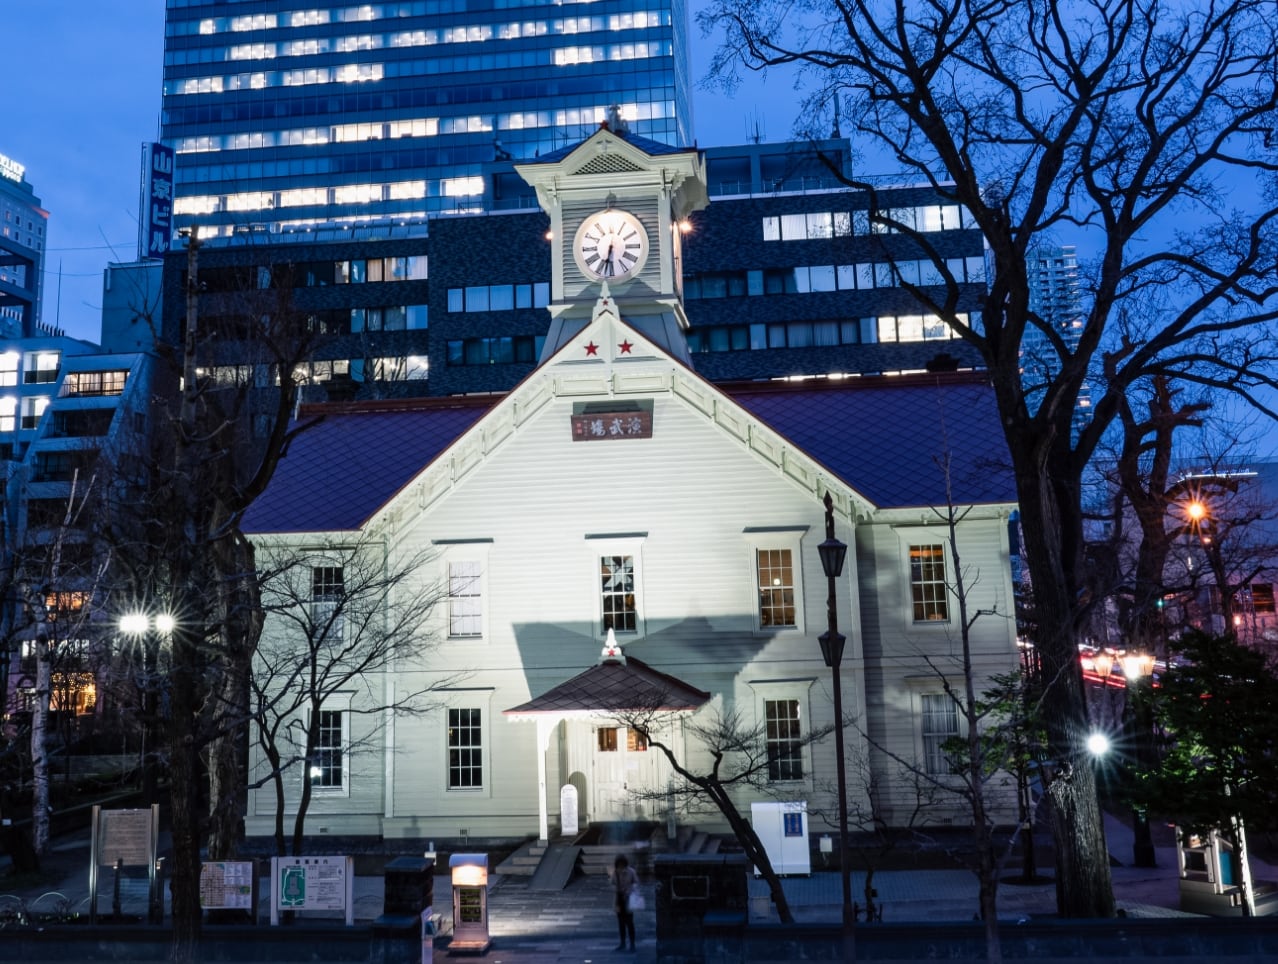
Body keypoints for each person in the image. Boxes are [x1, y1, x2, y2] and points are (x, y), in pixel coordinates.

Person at [613, 853, 639, 951]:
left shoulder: (631, 872)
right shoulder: (615, 873)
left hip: (628, 899)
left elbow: (636, 883)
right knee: (621, 923)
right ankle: (622, 943)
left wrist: (629, 890)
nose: (620, 866)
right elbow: (613, 884)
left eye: (622, 864)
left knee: (629, 922)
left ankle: (632, 944)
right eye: (619, 864)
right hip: (619, 900)